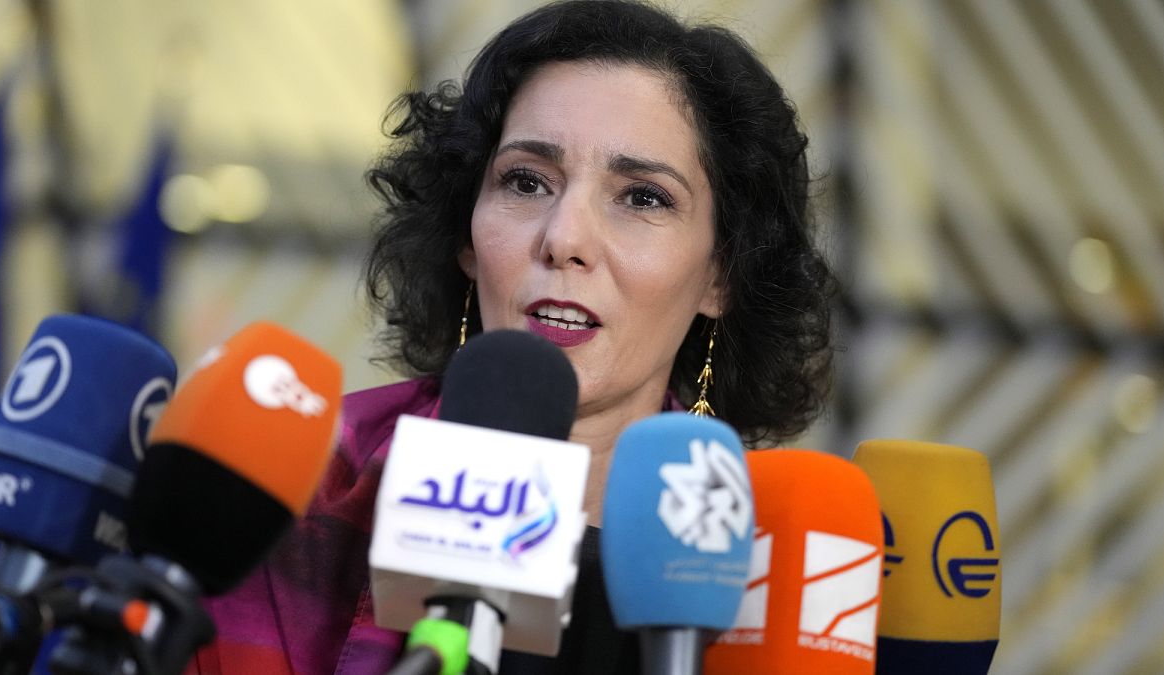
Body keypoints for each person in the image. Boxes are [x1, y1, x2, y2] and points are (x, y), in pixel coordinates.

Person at [187, 1, 834, 673]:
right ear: (466, 237)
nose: (564, 237)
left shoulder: (779, 570)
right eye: (526, 182)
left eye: (643, 197)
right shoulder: (298, 492)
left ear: (721, 275)